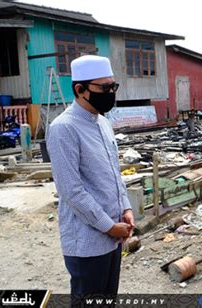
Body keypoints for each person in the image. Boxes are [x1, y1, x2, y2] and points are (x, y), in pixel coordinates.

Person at [47, 55, 134, 297]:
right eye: (104, 88)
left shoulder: (103, 123)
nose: (110, 92)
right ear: (80, 89)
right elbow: (71, 190)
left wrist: (125, 208)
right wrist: (108, 227)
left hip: (114, 233)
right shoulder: (64, 128)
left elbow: (113, 173)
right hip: (87, 241)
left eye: (113, 86)